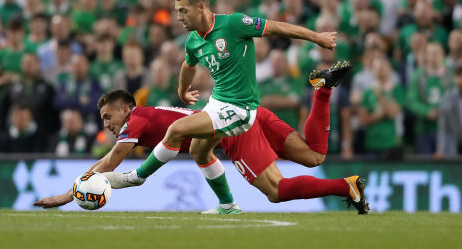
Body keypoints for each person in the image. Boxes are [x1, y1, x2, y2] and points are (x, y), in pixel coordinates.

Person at [109, 0, 340, 200]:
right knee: (199, 151)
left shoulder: (234, 24)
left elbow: (277, 27)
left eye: (183, 11)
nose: (179, 18)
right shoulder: (193, 40)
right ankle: (228, 205)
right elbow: (188, 65)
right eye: (177, 12)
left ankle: (136, 177)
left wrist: (316, 37)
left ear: (201, 7)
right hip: (217, 104)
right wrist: (182, 91)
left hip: (241, 109)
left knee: (177, 129)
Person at [34, 86, 368, 214]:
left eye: (108, 116)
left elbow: (110, 161)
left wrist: (68, 195)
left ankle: (344, 186)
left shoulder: (134, 121)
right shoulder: (147, 118)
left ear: (125, 109)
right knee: (314, 156)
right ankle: (322, 93)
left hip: (234, 131)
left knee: (276, 191)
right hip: (253, 114)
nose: (107, 124)